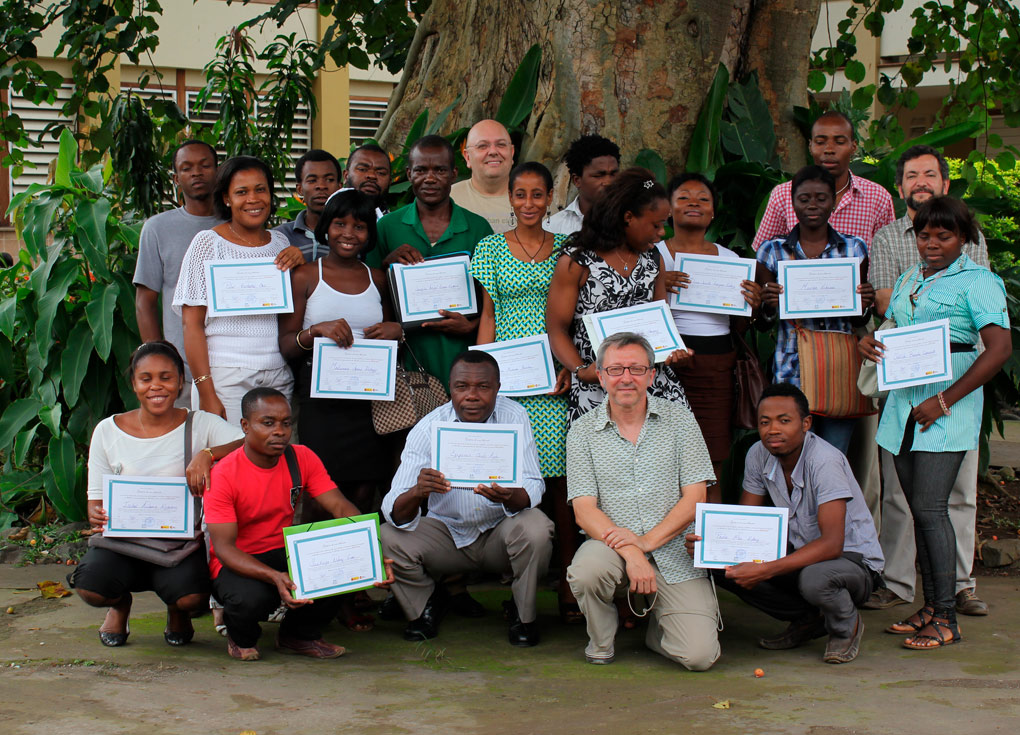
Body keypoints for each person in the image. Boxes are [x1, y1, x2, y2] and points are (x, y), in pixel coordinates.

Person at [860, 197, 1010, 650]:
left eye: (943, 236)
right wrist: (871, 341)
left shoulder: (980, 282)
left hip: (945, 410)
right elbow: (893, 326)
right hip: (902, 408)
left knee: (931, 510)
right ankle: (930, 606)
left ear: (964, 238)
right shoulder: (910, 277)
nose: (931, 244)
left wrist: (944, 400)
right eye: (925, 235)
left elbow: (998, 350)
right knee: (919, 513)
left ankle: (946, 617)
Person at [690, 382, 884, 664]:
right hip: (804, 555)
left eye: (784, 421)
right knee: (720, 563)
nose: (773, 430)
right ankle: (809, 619)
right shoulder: (758, 453)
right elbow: (747, 524)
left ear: (805, 424)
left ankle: (845, 626)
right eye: (765, 422)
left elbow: (832, 544)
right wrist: (709, 543)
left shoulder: (824, 461)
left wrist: (766, 568)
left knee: (815, 579)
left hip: (853, 562)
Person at [69, 341, 243, 647]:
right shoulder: (108, 430)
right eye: (146, 378)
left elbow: (249, 442)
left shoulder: (199, 423)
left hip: (177, 547)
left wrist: (208, 454)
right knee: (92, 587)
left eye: (166, 377)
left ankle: (177, 609)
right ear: (134, 385)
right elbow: (95, 502)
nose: (156, 386)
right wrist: (97, 513)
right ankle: (119, 604)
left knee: (193, 598)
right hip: (123, 544)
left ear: (179, 382)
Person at [566, 333, 720, 669]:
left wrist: (646, 542)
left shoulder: (680, 419)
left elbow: (695, 497)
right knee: (587, 571)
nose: (626, 378)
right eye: (616, 369)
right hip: (610, 545)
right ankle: (602, 640)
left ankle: (658, 632)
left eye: (636, 369)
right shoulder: (581, 431)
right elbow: (584, 510)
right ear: (602, 376)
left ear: (652, 375)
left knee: (699, 657)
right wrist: (633, 552)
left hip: (673, 549)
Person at [204, 387, 392, 661]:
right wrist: (274, 577)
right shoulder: (223, 474)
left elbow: (340, 506)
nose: (279, 431)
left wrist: (370, 553)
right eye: (268, 423)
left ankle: (299, 635)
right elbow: (224, 548)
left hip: (284, 549)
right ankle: (240, 636)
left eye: (286, 423)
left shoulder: (301, 457)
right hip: (238, 559)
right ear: (245, 425)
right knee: (253, 598)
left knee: (344, 563)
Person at [380, 351, 553, 646]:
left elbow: (534, 485)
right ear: (450, 388)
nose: (471, 396)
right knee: (387, 536)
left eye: (483, 387)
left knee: (537, 527)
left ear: (498, 388)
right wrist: (417, 492)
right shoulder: (429, 427)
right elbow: (392, 508)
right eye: (462, 387)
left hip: (499, 532)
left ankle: (523, 615)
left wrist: (510, 497)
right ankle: (426, 605)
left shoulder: (514, 416)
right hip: (447, 535)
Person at [471, 161, 576, 622]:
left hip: (553, 376)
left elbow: (573, 317)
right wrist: (484, 375)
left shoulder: (569, 249)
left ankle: (569, 586)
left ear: (551, 197)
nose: (529, 204)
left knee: (559, 483)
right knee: (509, 473)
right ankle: (518, 587)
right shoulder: (490, 249)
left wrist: (572, 366)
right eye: (520, 194)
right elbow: (489, 315)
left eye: (538, 194)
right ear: (509, 198)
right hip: (509, 380)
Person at [278, 189, 403, 515]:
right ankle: (321, 562)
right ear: (326, 229)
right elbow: (287, 344)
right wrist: (316, 330)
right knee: (321, 490)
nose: (348, 233)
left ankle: (357, 565)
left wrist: (397, 332)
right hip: (323, 406)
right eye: (339, 224)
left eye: (359, 226)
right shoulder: (305, 275)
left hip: (371, 404)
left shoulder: (378, 280)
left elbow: (392, 338)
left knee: (364, 491)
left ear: (369, 234)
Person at [546, 167, 691, 426]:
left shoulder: (653, 259)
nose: (661, 233)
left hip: (651, 383)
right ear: (628, 218)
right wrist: (581, 370)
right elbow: (557, 328)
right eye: (655, 225)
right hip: (598, 383)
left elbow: (661, 320)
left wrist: (673, 350)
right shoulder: (578, 260)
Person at [173, 156, 305, 426]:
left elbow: (289, 312)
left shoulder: (279, 242)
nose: (253, 199)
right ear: (226, 198)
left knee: (273, 461)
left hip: (277, 373)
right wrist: (205, 390)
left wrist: (299, 264)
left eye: (260, 189)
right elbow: (191, 325)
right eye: (241, 192)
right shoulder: (208, 244)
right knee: (229, 459)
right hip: (226, 377)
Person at [756, 165, 875, 455]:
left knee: (834, 457)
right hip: (790, 370)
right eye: (804, 198)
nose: (812, 205)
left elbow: (859, 317)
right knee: (792, 459)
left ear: (833, 202)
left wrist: (865, 302)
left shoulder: (854, 248)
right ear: (792, 202)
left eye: (821, 198)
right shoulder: (772, 251)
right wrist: (768, 305)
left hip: (839, 369)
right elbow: (761, 323)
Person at [657, 172, 762, 492]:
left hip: (717, 366)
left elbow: (739, 324)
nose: (694, 203)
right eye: (684, 197)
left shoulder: (730, 259)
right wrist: (659, 284)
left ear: (713, 212)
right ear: (668, 209)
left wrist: (753, 305)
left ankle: (707, 535)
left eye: (703, 199)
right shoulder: (653, 255)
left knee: (711, 459)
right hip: (665, 364)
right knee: (663, 456)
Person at [366, 135, 493, 390]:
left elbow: (495, 302)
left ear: (454, 173)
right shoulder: (387, 227)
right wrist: (387, 264)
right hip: (407, 362)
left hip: (463, 360)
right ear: (409, 173)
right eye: (421, 170)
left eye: (440, 170)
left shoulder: (478, 227)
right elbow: (367, 291)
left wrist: (471, 326)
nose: (430, 178)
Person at [134, 140, 222, 405]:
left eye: (205, 165)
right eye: (187, 168)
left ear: (218, 171)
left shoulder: (238, 224)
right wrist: (159, 361)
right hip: (182, 370)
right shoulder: (157, 228)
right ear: (176, 178)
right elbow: (144, 302)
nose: (196, 173)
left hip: (233, 363)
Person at [752, 110, 895, 250]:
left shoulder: (878, 197)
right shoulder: (783, 194)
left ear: (853, 147)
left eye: (839, 142)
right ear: (810, 146)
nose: (829, 150)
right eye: (820, 142)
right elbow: (763, 253)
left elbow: (890, 257)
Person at [544, 134, 620, 237]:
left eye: (613, 174)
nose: (608, 182)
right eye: (599, 175)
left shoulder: (632, 223)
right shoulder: (553, 228)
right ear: (577, 180)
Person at [273, 149, 343, 261]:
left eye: (329, 180)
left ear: (340, 187)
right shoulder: (279, 237)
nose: (321, 186)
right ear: (300, 189)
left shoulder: (351, 237)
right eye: (312, 180)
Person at [450, 119, 515, 233]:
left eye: (501, 144)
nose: (493, 151)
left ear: (512, 152)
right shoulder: (448, 200)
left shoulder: (535, 199)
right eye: (482, 146)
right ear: (467, 157)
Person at [343, 143, 392, 220]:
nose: (372, 176)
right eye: (362, 169)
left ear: (390, 181)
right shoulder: (326, 217)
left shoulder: (394, 226)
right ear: (346, 175)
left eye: (381, 173)